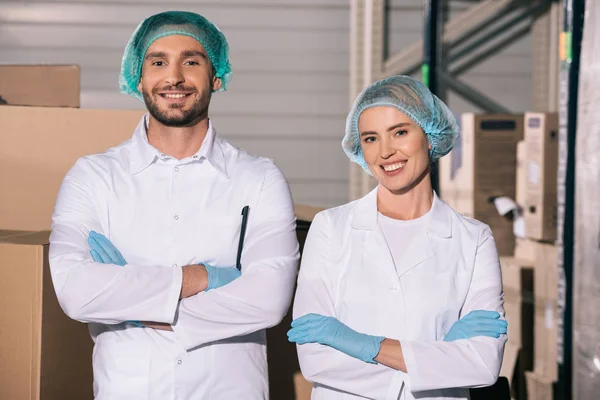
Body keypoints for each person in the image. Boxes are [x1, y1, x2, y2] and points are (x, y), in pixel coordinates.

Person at [49, 11, 299, 399]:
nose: (175, 77)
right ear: (138, 76)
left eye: (192, 62)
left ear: (216, 76)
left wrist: (131, 299)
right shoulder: (93, 177)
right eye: (159, 62)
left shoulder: (259, 179)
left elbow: (268, 302)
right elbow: (75, 292)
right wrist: (200, 278)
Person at [288, 75, 508, 400]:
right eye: (371, 139)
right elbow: (316, 360)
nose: (386, 152)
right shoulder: (331, 229)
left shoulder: (473, 239)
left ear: (430, 137)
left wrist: (365, 346)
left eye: (400, 132)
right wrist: (438, 357)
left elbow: (483, 364)